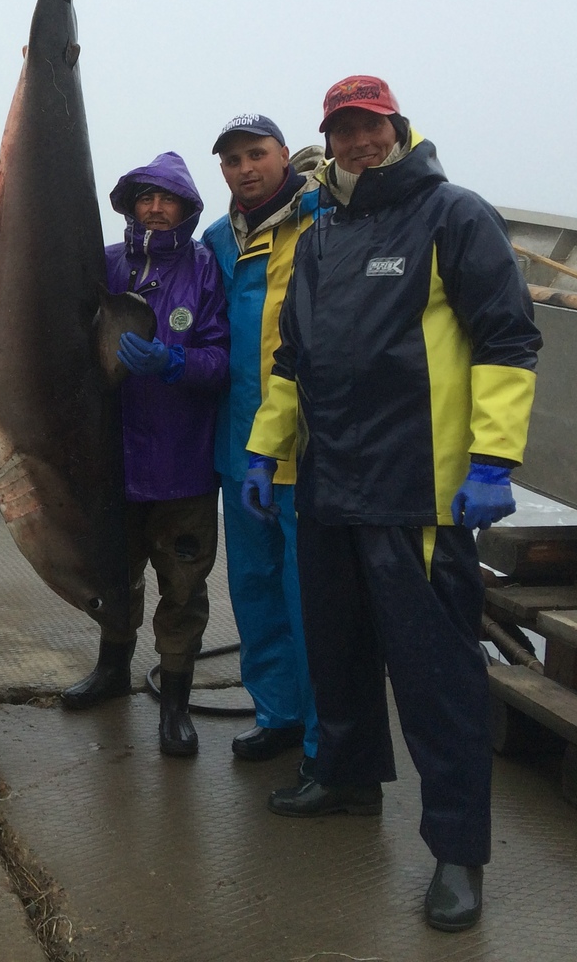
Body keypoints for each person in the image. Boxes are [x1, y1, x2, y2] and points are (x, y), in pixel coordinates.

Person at [243, 76, 541, 932]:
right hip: (330, 486)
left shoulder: (454, 216)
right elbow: (294, 360)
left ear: (397, 129)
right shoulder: (325, 236)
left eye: (370, 128)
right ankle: (343, 777)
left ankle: (458, 851)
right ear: (328, 141)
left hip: (418, 493)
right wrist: (268, 448)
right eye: (343, 131)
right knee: (335, 650)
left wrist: (493, 459)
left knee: (435, 675)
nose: (358, 143)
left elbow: (509, 337)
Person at [60, 152, 229, 757]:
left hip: (181, 463)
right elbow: (57, 331)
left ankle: (176, 702)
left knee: (182, 586)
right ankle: (112, 670)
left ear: (186, 206)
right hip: (111, 462)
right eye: (145, 198)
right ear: (130, 205)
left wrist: (176, 362)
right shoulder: (103, 265)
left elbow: (221, 358)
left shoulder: (206, 270)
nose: (155, 209)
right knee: (115, 576)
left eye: (167, 198)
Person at [200, 116, 323, 779]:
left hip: (306, 448)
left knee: (311, 595)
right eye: (231, 160)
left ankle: (322, 731)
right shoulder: (217, 239)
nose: (244, 168)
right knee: (253, 587)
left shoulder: (320, 222)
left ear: (284, 155)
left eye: (256, 154)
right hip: (237, 447)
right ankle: (276, 713)